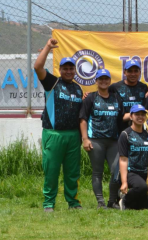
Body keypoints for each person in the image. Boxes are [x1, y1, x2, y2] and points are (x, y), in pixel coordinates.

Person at [34, 38, 83, 212]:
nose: (69, 71)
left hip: (73, 136)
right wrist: (47, 46)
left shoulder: (78, 89)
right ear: (60, 70)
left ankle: (73, 202)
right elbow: (38, 67)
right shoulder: (53, 83)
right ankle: (49, 203)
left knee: (72, 173)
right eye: (65, 69)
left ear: (75, 71)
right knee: (52, 171)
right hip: (54, 135)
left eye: (71, 68)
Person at [79, 69, 129, 209]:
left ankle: (112, 201)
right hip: (96, 140)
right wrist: (85, 139)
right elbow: (83, 119)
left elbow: (122, 117)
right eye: (100, 79)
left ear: (109, 81)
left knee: (116, 171)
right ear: (96, 81)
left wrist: (135, 115)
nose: (103, 81)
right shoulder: (91, 98)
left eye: (106, 79)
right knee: (97, 172)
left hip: (114, 141)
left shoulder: (116, 97)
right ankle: (100, 202)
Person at [118, 105, 148, 210]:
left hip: (146, 172)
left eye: (143, 115)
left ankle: (131, 199)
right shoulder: (125, 134)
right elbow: (123, 159)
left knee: (146, 206)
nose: (140, 117)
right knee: (142, 187)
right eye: (137, 114)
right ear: (131, 117)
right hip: (131, 172)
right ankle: (124, 199)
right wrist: (124, 182)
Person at [108, 59, 148, 131]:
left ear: (139, 72)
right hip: (119, 130)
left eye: (136, 71)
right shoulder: (115, 87)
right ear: (124, 72)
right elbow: (102, 96)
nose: (133, 74)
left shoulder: (144, 87)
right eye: (130, 71)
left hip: (139, 129)